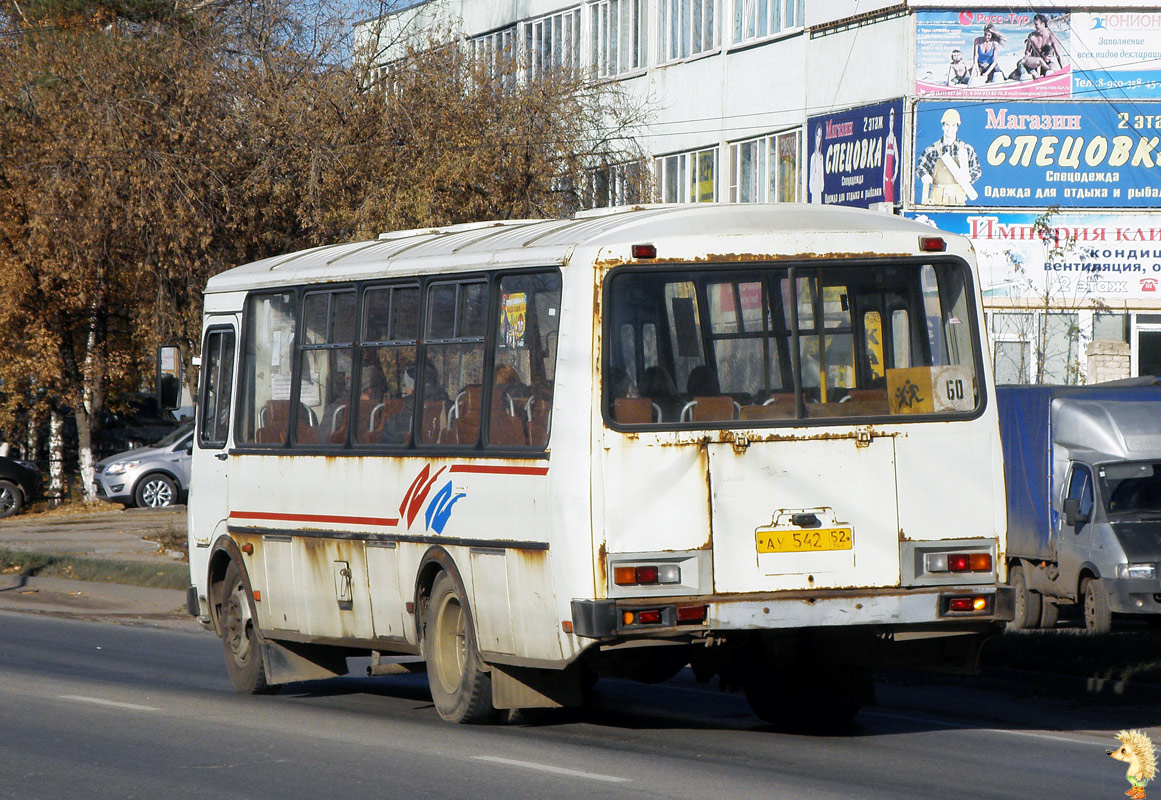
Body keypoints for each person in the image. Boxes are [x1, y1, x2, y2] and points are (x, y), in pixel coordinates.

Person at [916, 108, 981, 205]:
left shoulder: (966, 149)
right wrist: (924, 175)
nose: (950, 128)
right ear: (943, 126)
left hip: (958, 200)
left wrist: (969, 177)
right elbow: (920, 167)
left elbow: (977, 170)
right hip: (936, 199)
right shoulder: (932, 150)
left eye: (953, 125)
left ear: (957, 127)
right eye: (947, 125)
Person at [1009, 14, 1064, 80]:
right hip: (1034, 63)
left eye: (1036, 24)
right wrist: (1027, 55)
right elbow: (1027, 51)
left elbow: (1058, 55)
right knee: (1013, 75)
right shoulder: (1032, 36)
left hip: (1046, 63)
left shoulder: (1051, 36)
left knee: (1053, 68)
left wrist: (1063, 69)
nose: (1035, 27)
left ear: (1043, 24)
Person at [882, 107, 899, 204]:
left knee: (890, 196)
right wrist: (885, 175)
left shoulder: (894, 139)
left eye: (892, 121)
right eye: (890, 121)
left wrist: (895, 174)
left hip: (891, 171)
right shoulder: (887, 138)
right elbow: (885, 160)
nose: (891, 123)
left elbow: (897, 159)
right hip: (886, 173)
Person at [808, 123, 824, 204]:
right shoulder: (813, 157)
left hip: (819, 186)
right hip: (814, 186)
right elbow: (811, 172)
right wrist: (811, 186)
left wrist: (822, 185)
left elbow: (821, 173)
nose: (818, 139)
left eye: (820, 136)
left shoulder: (821, 157)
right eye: (817, 135)